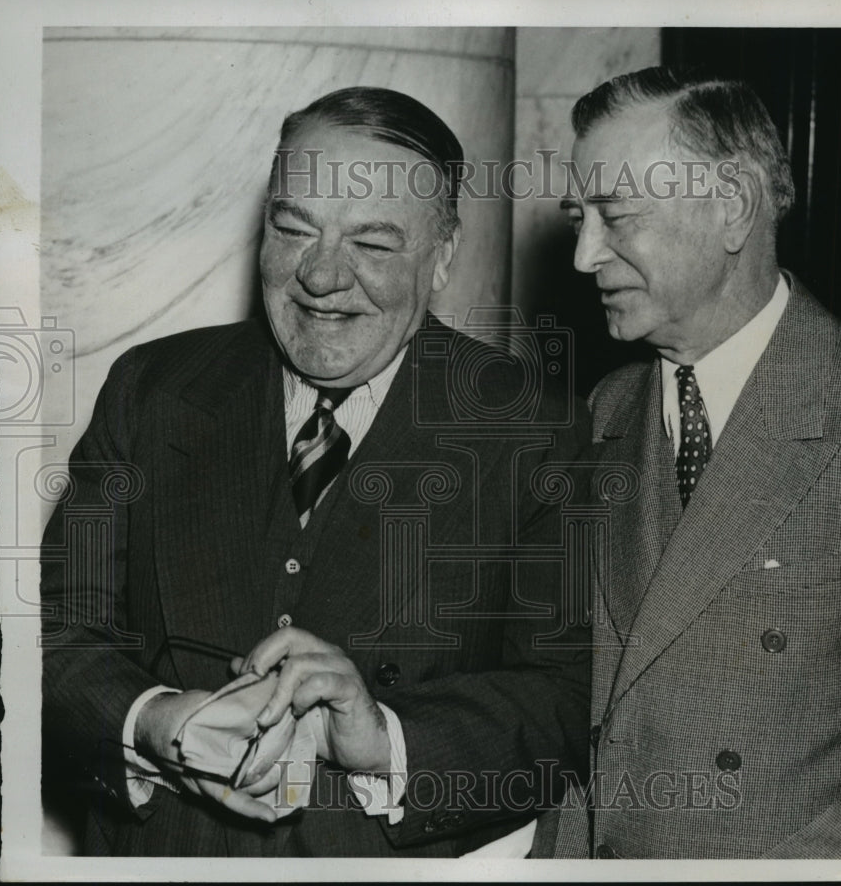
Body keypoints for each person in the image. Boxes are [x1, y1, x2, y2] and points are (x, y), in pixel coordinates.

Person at [41, 86, 590, 857]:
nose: (322, 277)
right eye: (294, 229)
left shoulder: (535, 432)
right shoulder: (152, 390)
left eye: (371, 244)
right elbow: (55, 635)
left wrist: (386, 739)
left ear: (444, 258)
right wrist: (154, 723)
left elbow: (568, 703)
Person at [541, 67, 841, 859]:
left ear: (731, 206)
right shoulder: (607, 407)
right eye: (578, 218)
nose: (585, 255)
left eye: (617, 216)